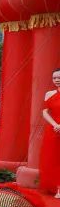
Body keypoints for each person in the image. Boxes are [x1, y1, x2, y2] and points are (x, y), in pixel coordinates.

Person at [41, 68, 60, 198]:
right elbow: (44, 112)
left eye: (59, 77)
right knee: (53, 159)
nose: (57, 80)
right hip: (53, 129)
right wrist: (55, 125)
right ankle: (57, 187)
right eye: (55, 78)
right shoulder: (49, 94)